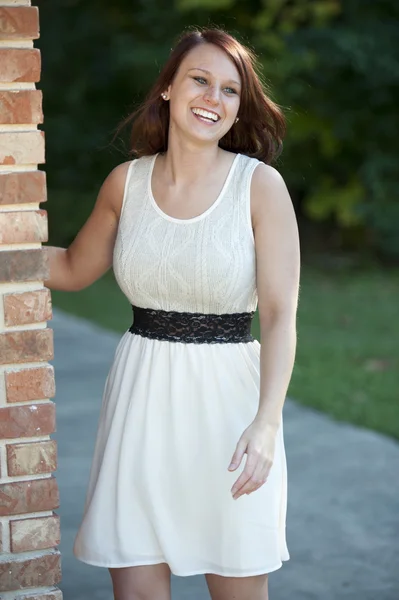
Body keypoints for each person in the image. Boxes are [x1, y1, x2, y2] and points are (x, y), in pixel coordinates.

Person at [45, 27, 300, 600]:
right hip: (141, 401)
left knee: (236, 586)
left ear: (240, 107)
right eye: (200, 80)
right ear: (168, 88)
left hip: (231, 412)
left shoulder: (260, 187)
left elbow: (281, 315)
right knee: (135, 587)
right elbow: (69, 269)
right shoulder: (124, 185)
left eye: (231, 91)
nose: (214, 99)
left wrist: (266, 423)